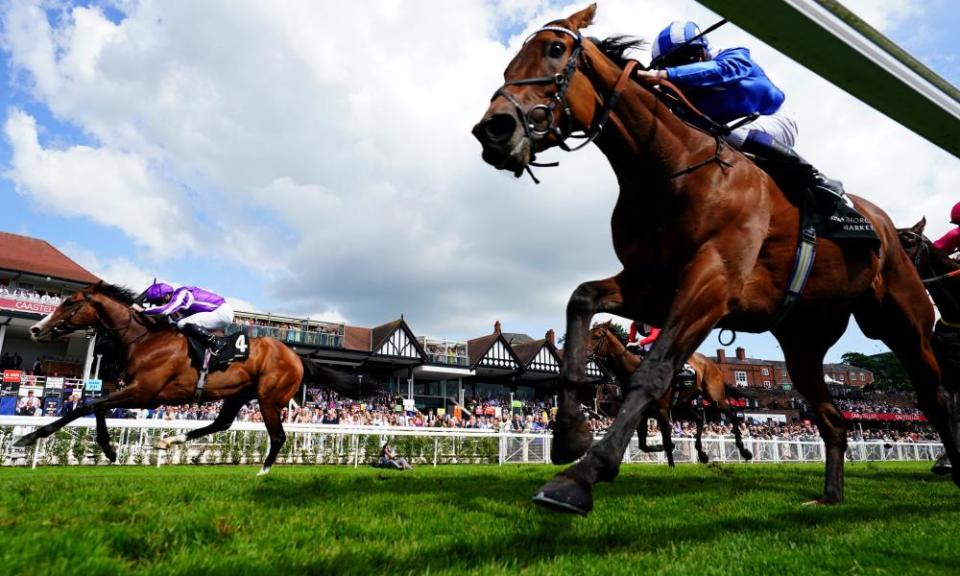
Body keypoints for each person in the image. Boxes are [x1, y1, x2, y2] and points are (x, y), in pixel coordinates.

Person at [635, 20, 845, 206]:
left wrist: (664, 74)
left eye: (682, 60)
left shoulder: (734, 56)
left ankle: (815, 176)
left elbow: (722, 70)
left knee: (728, 133)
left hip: (776, 120)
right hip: (733, 139)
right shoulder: (679, 94)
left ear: (700, 53)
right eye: (669, 64)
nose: (677, 68)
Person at [141, 282, 234, 357]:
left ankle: (217, 343)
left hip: (221, 312)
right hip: (218, 313)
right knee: (179, 324)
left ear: (166, 296)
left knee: (182, 323)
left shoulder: (182, 293)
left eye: (157, 302)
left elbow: (166, 310)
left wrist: (143, 310)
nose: (157, 305)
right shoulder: (179, 301)